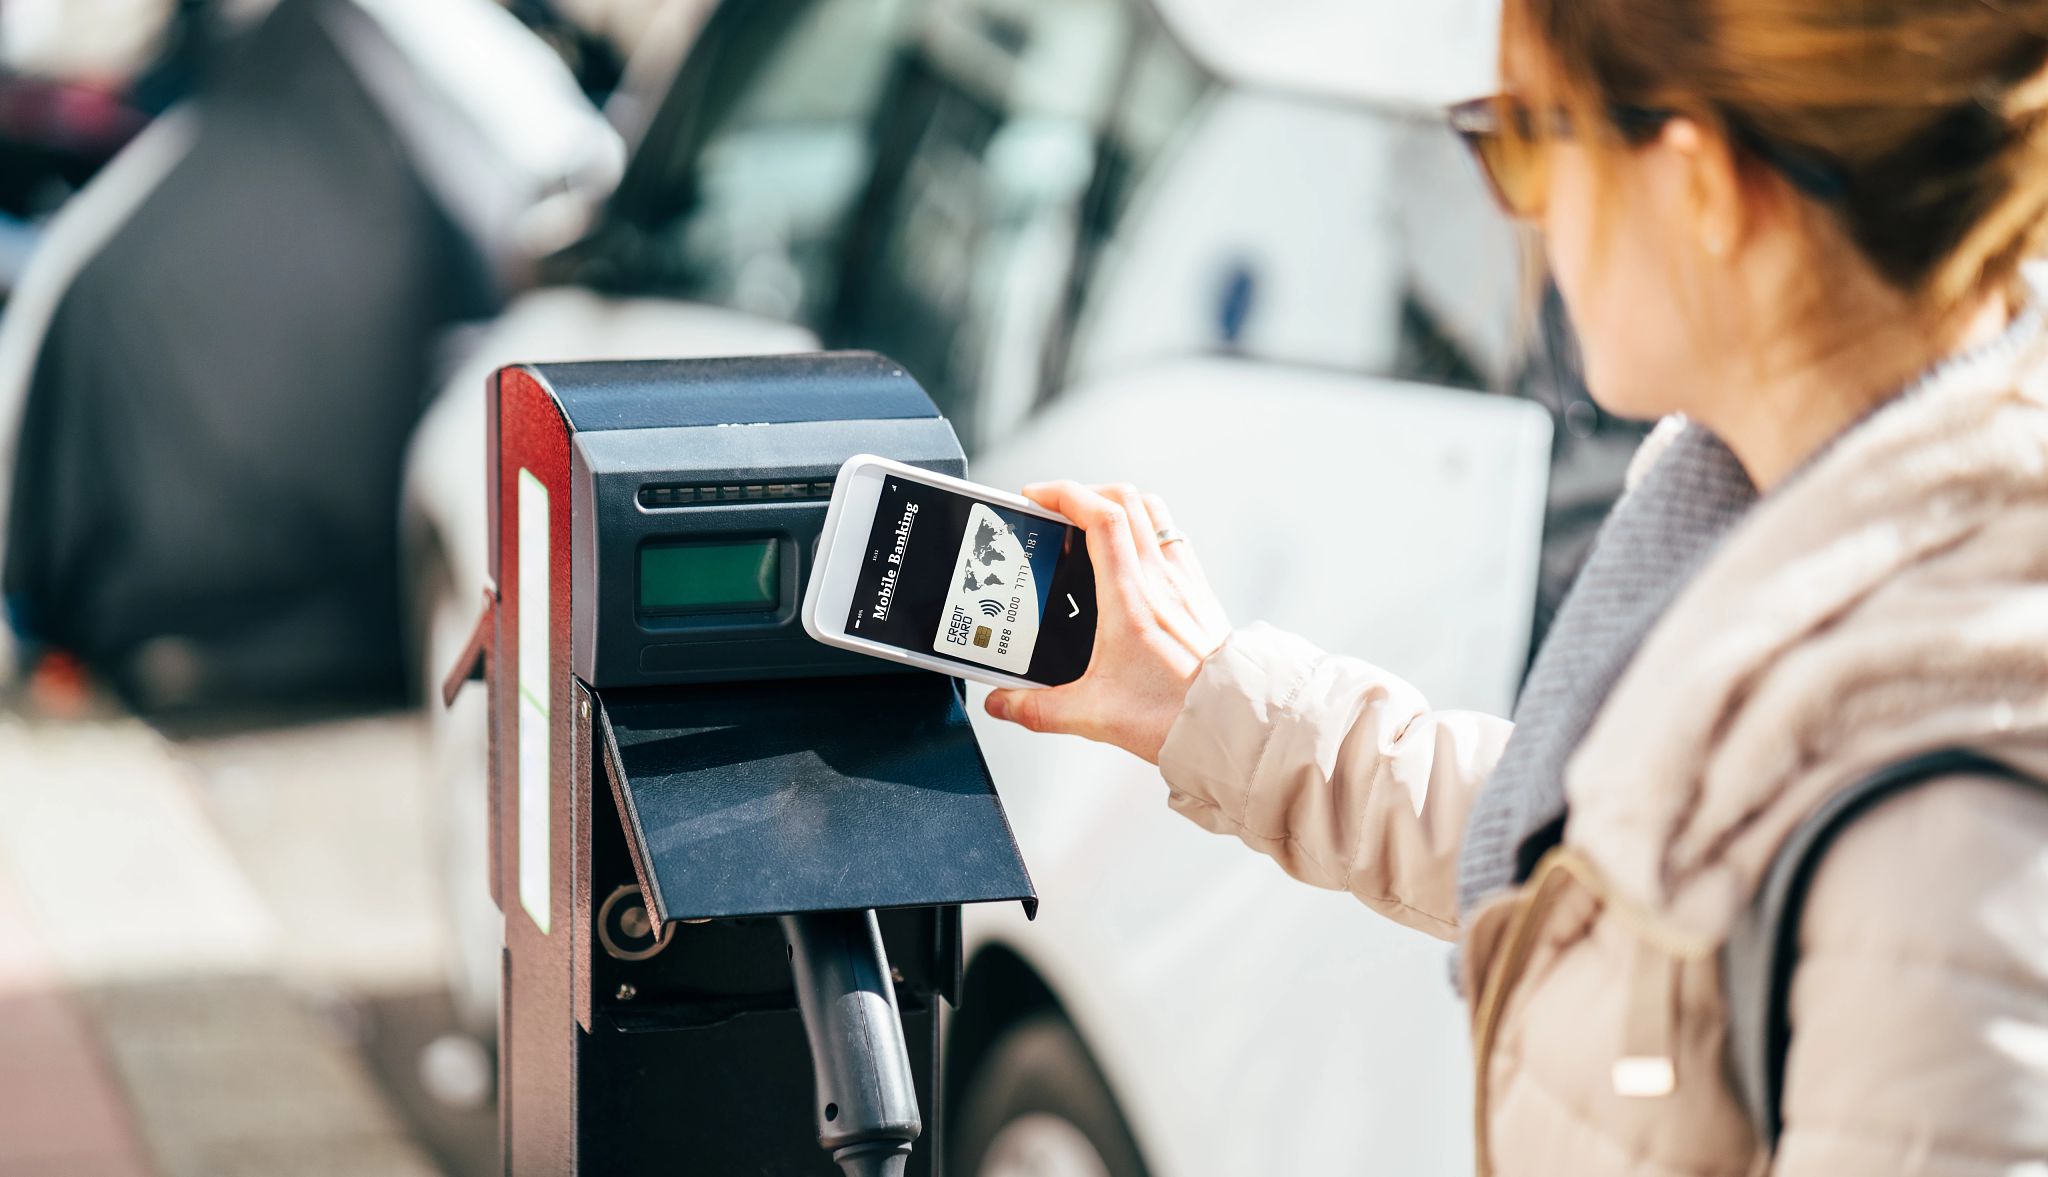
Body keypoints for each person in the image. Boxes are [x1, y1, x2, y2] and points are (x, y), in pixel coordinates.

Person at [982, 0, 2048, 1172]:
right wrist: (1204, 695)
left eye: (1524, 141)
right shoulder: (1787, 514)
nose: (1516, 215)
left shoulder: (1933, 841)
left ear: (1695, 183)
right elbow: (1600, 850)